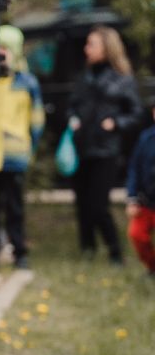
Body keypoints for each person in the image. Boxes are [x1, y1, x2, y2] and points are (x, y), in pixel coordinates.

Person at [0, 24, 44, 270]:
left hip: (14, 156)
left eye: (6, 49)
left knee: (14, 209)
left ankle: (20, 253)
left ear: (16, 52)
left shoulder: (27, 83)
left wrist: (28, 147)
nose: (1, 54)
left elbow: (36, 120)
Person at [67, 26, 142, 264]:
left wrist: (116, 123)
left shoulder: (122, 80)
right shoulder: (84, 77)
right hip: (82, 148)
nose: (86, 49)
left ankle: (115, 252)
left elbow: (136, 113)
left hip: (105, 150)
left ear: (106, 48)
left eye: (92, 44)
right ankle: (87, 249)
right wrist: (73, 119)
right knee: (82, 204)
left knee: (99, 205)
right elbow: (72, 105)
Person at [125, 99, 155, 277]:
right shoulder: (146, 138)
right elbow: (134, 169)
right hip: (147, 202)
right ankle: (152, 267)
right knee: (137, 234)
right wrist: (132, 198)